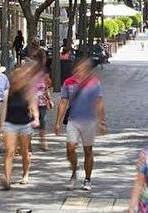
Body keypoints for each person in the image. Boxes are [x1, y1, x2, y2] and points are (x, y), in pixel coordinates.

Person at [54, 58, 105, 192]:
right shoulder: (68, 82)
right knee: (70, 147)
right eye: (79, 67)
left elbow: (99, 102)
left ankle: (87, 179)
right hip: (73, 120)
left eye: (83, 67)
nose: (80, 69)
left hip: (89, 121)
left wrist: (102, 122)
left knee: (88, 150)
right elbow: (63, 102)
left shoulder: (94, 83)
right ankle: (74, 171)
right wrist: (58, 122)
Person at [0, 64, 40, 189]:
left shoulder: (28, 92)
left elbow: (34, 107)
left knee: (24, 151)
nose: (19, 79)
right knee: (9, 151)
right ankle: (6, 178)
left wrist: (36, 118)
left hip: (24, 124)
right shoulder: (8, 93)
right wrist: (1, 126)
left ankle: (25, 174)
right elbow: (3, 110)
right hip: (10, 124)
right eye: (16, 77)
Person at [31, 50, 53, 151]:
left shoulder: (45, 72)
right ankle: (26, 141)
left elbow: (47, 87)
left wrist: (49, 99)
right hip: (31, 100)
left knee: (43, 120)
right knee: (30, 121)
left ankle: (43, 140)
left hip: (42, 101)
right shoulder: (30, 72)